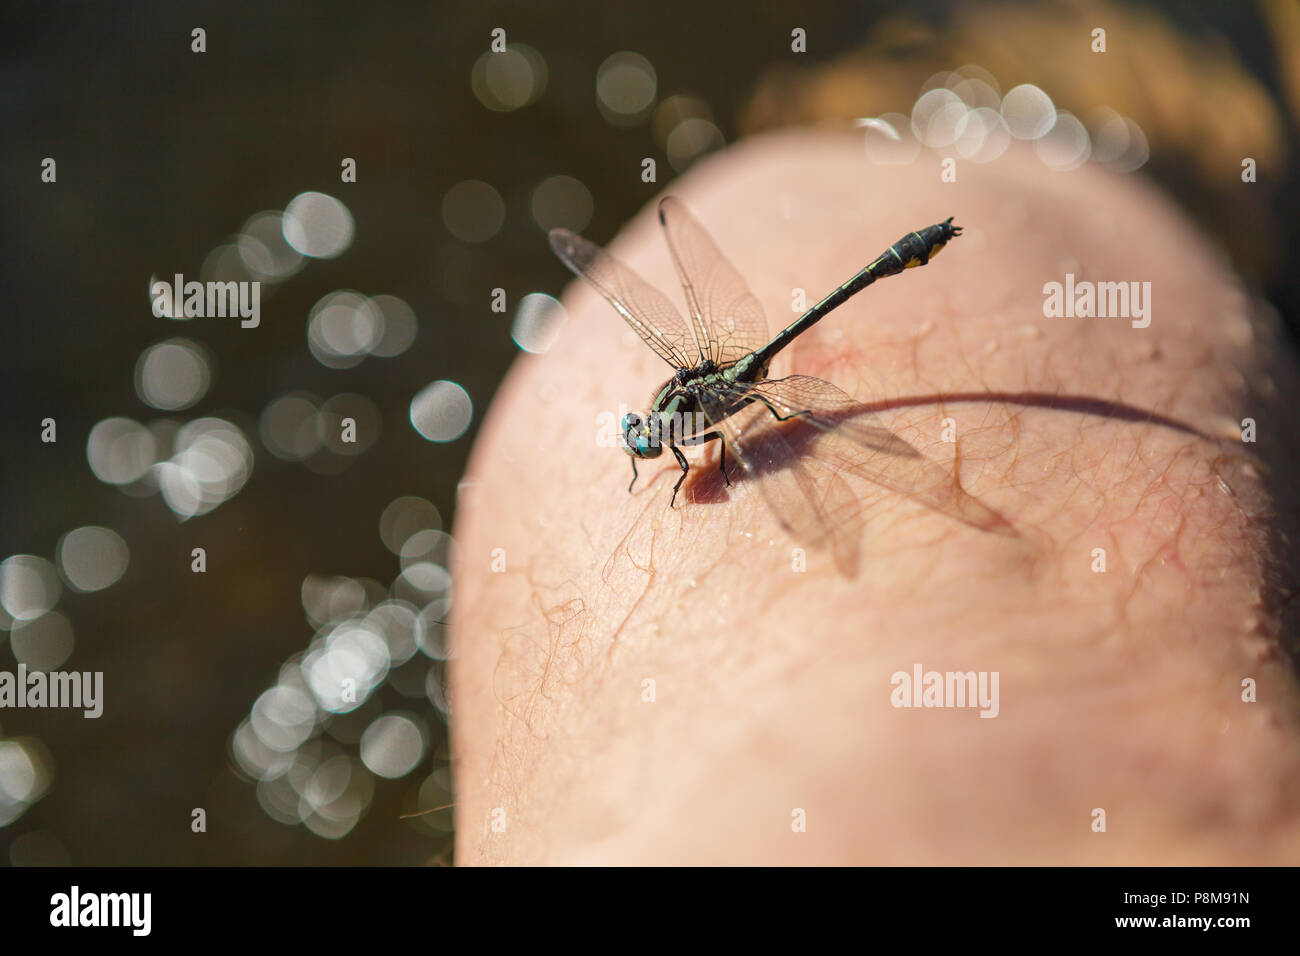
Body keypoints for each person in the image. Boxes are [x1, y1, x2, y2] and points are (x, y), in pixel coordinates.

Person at [449, 129, 1300, 864]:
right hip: (1070, 183)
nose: (658, 446)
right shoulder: (689, 422)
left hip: (1054, 183)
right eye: (653, 441)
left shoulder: (718, 422)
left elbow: (717, 446)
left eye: (656, 441)